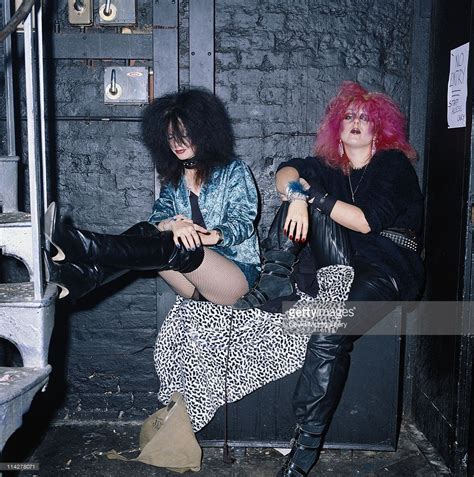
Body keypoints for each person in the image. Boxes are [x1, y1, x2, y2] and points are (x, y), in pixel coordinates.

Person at [234, 81, 424, 476]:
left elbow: (366, 220)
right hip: (343, 261)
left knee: (327, 329)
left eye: (366, 118)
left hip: (387, 265)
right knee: (300, 191)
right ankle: (276, 277)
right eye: (349, 116)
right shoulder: (328, 168)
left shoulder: (393, 165)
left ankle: (305, 444)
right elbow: (286, 171)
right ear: (337, 126)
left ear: (380, 130)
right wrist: (297, 195)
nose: (356, 123)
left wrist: (310, 196)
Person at [44, 88, 260, 306]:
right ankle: (83, 278)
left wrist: (207, 237)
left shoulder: (233, 170)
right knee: (148, 231)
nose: (177, 143)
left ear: (203, 133)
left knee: (176, 245)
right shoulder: (175, 178)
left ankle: (80, 247)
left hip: (235, 275)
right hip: (192, 280)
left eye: (183, 135)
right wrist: (173, 225)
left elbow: (243, 221)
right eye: (170, 136)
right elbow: (157, 218)